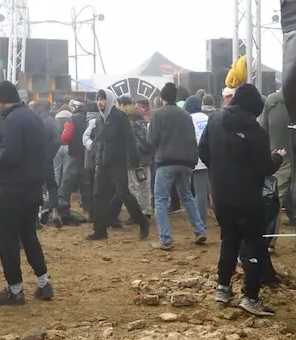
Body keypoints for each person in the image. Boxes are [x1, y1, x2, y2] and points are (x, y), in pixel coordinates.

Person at [198, 84, 281, 317]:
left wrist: (219, 170)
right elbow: (265, 167)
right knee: (254, 243)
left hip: (221, 196)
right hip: (248, 198)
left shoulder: (214, 120)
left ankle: (222, 289)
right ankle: (251, 297)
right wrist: (277, 158)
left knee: (229, 240)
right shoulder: (256, 132)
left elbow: (202, 151)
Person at [0, 82, 55, 305]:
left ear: (3, 101)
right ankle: (44, 284)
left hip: (12, 190)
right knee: (29, 235)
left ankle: (15, 290)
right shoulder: (32, 117)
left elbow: (11, 155)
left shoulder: (13, 120)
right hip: (32, 189)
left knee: (6, 239)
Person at [149, 83, 207, 250]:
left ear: (162, 98)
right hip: (186, 162)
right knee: (187, 196)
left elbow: (151, 140)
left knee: (160, 199)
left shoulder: (158, 114)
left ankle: (166, 239)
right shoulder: (186, 115)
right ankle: (199, 230)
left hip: (166, 161)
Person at [86, 89, 148, 241]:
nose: (100, 102)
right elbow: (98, 141)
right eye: (98, 99)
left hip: (117, 163)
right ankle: (100, 230)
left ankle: (142, 222)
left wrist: (134, 159)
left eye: (103, 99)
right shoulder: (100, 120)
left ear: (110, 100)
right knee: (98, 196)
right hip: (102, 163)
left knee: (123, 194)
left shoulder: (120, 117)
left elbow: (130, 139)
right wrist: (95, 155)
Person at [260, 89, 293, 226]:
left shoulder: (272, 100)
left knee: (274, 199)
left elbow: (263, 129)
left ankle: (269, 241)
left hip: (279, 155)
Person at [188, 96, 213, 230]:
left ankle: (201, 222)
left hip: (197, 159)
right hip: (211, 158)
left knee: (200, 193)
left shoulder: (189, 119)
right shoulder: (207, 117)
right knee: (213, 191)